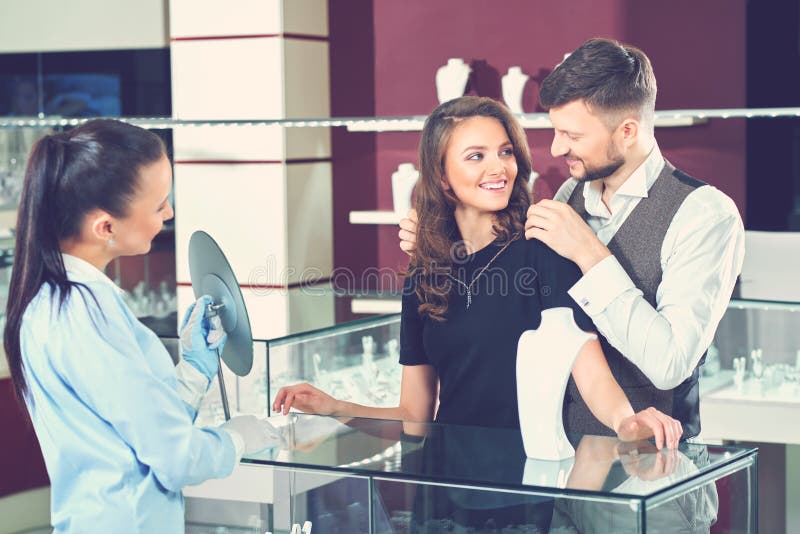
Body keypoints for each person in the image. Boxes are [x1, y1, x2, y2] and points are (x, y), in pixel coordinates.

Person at [274, 96, 682, 450]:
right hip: (444, 487)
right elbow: (415, 418)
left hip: (526, 483)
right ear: (441, 176)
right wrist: (333, 407)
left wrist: (626, 422)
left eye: (505, 152)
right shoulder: (424, 270)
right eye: (476, 156)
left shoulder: (542, 251)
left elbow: (589, 369)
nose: (499, 168)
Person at [399, 39, 745, 439]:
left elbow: (670, 364)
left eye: (571, 135)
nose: (557, 147)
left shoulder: (704, 214)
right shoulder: (569, 195)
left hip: (653, 459)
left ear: (627, 131)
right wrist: (430, 233)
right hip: (564, 466)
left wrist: (589, 252)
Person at [3, 119, 279, 533]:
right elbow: (174, 459)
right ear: (105, 227)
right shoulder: (87, 315)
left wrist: (192, 372)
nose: (169, 213)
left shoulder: (54, 300)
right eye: (159, 204)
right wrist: (237, 438)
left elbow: (134, 428)